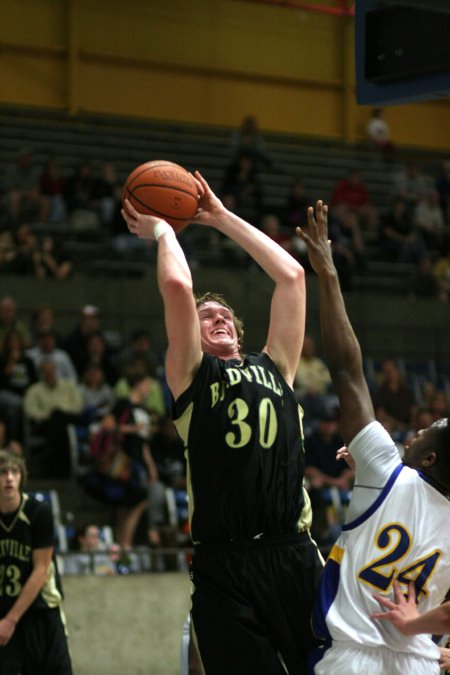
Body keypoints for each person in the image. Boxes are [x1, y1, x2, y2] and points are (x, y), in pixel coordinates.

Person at [122, 171, 324, 675]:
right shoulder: (190, 375)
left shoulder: (276, 366)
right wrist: (166, 231)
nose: (216, 317)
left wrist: (216, 215)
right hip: (223, 562)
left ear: (237, 328)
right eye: (204, 314)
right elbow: (176, 283)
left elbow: (293, 277)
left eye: (223, 314)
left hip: (292, 553)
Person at [296, 201, 450, 674]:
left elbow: (345, 369)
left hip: (352, 658)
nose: (417, 432)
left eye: (426, 434)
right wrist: (416, 624)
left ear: (428, 460)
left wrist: (328, 276)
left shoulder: (384, 467)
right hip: (421, 662)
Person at [0, 449, 73, 674]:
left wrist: (11, 620)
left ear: (22, 476)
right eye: (3, 472)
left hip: (41, 610)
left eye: (14, 472)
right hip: (5, 610)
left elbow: (41, 570)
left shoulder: (38, 512)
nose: (9, 478)